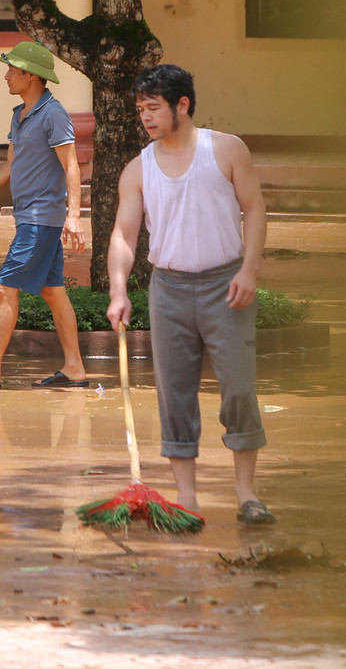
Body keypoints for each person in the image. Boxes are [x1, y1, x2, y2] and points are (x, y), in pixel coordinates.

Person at [105, 63, 274, 525]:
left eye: (153, 107)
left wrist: (250, 269)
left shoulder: (226, 150)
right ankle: (187, 499)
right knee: (173, 394)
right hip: (169, 289)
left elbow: (255, 208)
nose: (145, 116)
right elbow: (123, 235)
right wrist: (119, 291)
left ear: (182, 105)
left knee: (239, 390)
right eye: (140, 109)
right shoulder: (138, 169)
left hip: (227, 285)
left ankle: (247, 494)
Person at [0, 41, 88, 390]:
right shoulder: (20, 114)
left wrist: (74, 217)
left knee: (4, 286)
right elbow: (11, 166)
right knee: (53, 292)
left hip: (41, 218)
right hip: (29, 216)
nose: (6, 76)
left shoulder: (53, 114)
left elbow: (71, 166)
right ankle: (74, 369)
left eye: (12, 70)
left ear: (31, 75)